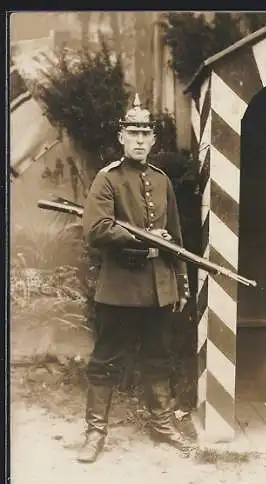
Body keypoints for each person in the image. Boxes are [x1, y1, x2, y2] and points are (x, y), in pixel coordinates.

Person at [78, 94, 192, 463]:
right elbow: (96, 229)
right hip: (119, 288)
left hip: (159, 287)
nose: (140, 140)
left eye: (146, 133)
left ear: (154, 140)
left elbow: (176, 238)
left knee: (158, 357)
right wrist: (142, 237)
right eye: (133, 132)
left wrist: (181, 282)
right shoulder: (107, 178)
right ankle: (95, 432)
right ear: (121, 137)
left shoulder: (162, 182)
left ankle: (161, 424)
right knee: (106, 359)